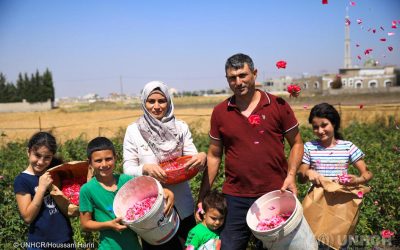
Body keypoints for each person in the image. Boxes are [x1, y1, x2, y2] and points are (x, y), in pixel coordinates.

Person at [196, 53, 304, 250]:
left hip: (274, 193)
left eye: (243, 75)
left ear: (255, 74)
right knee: (230, 246)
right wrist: (203, 197)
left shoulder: (277, 106)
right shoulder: (221, 112)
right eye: (232, 78)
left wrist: (291, 176)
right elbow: (214, 155)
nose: (238, 82)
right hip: (235, 196)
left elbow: (297, 143)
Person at [123, 80, 207, 250]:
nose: (156, 106)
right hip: (152, 211)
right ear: (144, 103)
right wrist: (144, 169)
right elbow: (127, 169)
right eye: (151, 101)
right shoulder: (134, 131)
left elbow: (192, 159)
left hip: (183, 208)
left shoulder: (180, 127)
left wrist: (201, 158)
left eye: (161, 101)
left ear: (169, 102)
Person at [79, 136, 175, 250]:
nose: (104, 164)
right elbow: (85, 224)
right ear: (89, 163)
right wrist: (109, 225)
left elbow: (151, 193)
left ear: (116, 158)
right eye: (98, 161)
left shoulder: (127, 180)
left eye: (108, 159)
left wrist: (168, 193)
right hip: (108, 247)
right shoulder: (87, 189)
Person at [14, 131, 75, 250]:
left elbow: (67, 206)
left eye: (47, 157)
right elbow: (27, 217)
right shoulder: (22, 180)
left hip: (65, 240)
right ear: (28, 151)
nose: (41, 162)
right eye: (37, 155)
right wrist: (41, 188)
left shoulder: (55, 173)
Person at [297, 102, 373, 186]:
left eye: (324, 125)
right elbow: (301, 179)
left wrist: (357, 180)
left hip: (341, 196)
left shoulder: (348, 147)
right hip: (318, 197)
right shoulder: (309, 147)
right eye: (315, 127)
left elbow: (367, 173)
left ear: (334, 123)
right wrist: (308, 172)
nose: (320, 131)